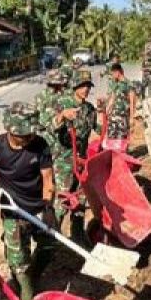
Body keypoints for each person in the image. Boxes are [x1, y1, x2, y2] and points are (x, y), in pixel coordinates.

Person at [0, 102, 56, 300]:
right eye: (24, 136)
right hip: (12, 210)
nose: (29, 139)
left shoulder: (40, 145)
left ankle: (32, 275)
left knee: (49, 246)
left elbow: (48, 178)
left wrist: (48, 207)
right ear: (10, 131)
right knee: (18, 259)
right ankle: (27, 294)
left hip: (39, 205)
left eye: (31, 134)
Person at [52, 69, 98, 243]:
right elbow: (52, 125)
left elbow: (96, 129)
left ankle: (78, 235)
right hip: (64, 159)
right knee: (64, 198)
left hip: (82, 159)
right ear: (74, 86)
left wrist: (104, 112)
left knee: (80, 197)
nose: (85, 89)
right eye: (82, 85)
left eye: (88, 86)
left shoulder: (89, 108)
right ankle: (53, 236)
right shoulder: (63, 103)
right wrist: (63, 115)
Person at [102, 62, 137, 142]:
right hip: (113, 116)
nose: (112, 76)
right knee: (111, 137)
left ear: (118, 72)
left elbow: (132, 102)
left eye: (113, 74)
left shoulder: (129, 84)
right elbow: (113, 98)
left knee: (122, 139)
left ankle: (121, 154)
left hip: (123, 116)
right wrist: (107, 111)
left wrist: (132, 117)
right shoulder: (116, 84)